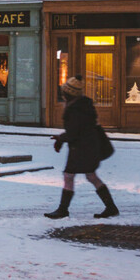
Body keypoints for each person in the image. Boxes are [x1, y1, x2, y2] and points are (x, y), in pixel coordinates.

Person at [45, 75, 119, 219]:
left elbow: (74, 132)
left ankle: (63, 210)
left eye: (65, 91)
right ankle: (111, 207)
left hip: (80, 149)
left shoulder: (75, 109)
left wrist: (60, 138)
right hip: (88, 147)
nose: (63, 94)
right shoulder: (83, 105)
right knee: (91, 176)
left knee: (69, 176)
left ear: (69, 93)